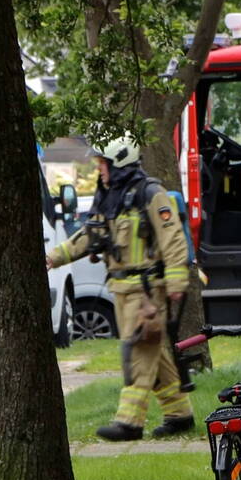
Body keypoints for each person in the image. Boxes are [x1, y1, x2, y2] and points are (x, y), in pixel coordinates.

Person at [47, 136, 194, 441]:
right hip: (123, 291)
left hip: (147, 292)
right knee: (153, 352)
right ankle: (180, 414)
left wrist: (177, 283)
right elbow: (91, 235)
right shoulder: (109, 196)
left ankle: (130, 422)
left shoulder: (151, 194)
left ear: (119, 163)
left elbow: (173, 239)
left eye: (103, 163)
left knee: (138, 353)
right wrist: (55, 257)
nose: (99, 169)